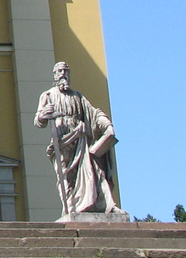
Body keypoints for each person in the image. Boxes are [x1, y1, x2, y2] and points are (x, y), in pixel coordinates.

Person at [34, 61, 125, 218]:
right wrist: (43, 115)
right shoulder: (48, 95)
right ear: (55, 75)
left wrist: (107, 125)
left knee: (95, 171)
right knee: (65, 177)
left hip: (81, 140)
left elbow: (94, 113)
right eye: (60, 71)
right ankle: (71, 208)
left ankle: (109, 205)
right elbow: (38, 122)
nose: (63, 74)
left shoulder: (77, 96)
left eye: (66, 71)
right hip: (62, 142)